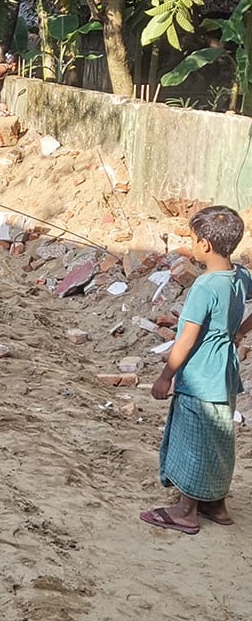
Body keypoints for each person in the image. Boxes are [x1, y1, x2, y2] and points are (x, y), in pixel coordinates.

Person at [141, 206, 252, 535]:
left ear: (204, 245)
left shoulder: (204, 287)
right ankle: (215, 504)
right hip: (225, 371)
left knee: (195, 438)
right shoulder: (241, 276)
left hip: (200, 374)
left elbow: (186, 340)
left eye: (191, 239)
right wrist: (241, 331)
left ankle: (186, 510)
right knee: (219, 436)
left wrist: (166, 377)